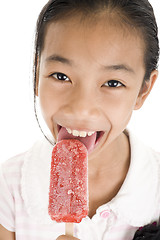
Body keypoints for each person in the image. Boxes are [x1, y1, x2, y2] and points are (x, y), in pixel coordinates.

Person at [0, 0, 160, 239]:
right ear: (36, 74)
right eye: (61, 76)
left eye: (113, 83)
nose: (81, 109)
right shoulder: (10, 185)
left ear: (143, 91)